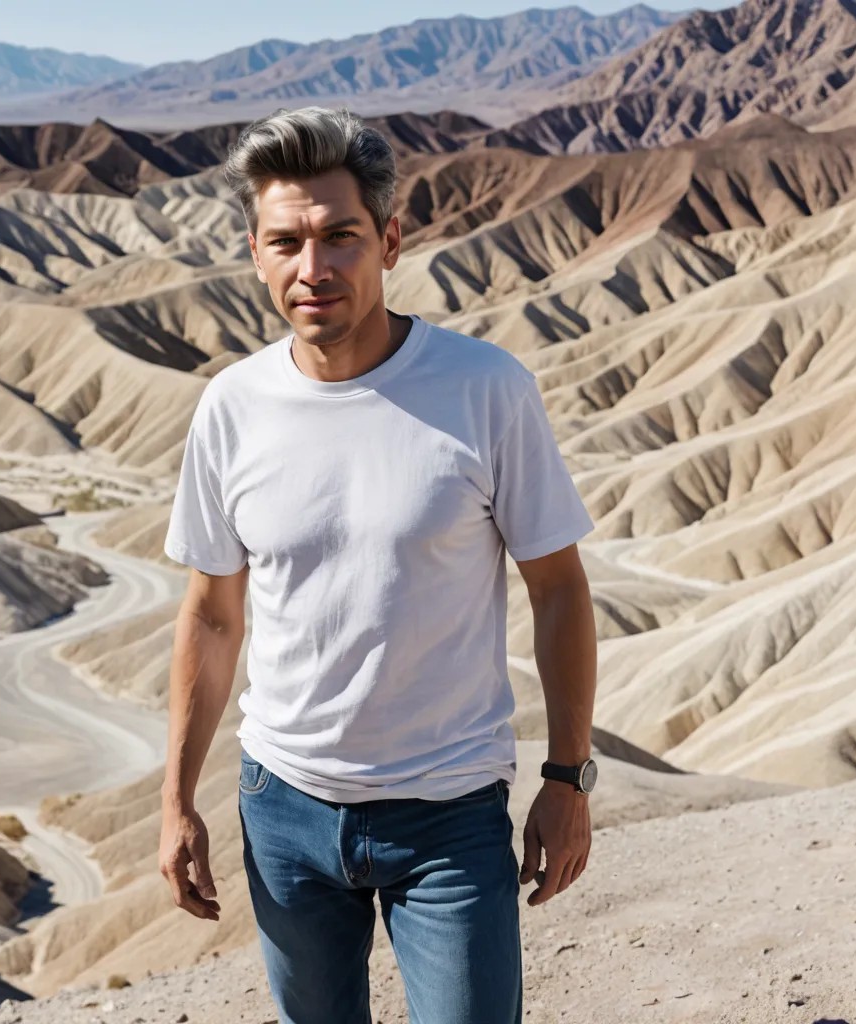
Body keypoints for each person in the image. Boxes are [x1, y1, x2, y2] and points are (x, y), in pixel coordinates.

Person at [158, 105, 599, 1024]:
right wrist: (177, 801)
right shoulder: (231, 408)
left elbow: (558, 590)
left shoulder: (486, 390)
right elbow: (211, 616)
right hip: (283, 809)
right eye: (287, 242)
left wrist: (569, 778)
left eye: (340, 237)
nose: (312, 268)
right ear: (255, 253)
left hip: (449, 815)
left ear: (390, 241)